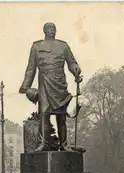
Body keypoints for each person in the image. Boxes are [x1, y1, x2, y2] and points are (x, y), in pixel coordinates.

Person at [19, 22, 82, 151]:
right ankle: (43, 144)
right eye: (49, 28)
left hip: (59, 84)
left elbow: (72, 62)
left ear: (56, 30)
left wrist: (76, 70)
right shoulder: (36, 46)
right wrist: (26, 87)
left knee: (61, 115)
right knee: (44, 113)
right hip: (44, 83)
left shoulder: (63, 46)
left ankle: (64, 144)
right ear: (44, 31)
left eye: (53, 28)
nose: (51, 30)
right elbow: (31, 68)